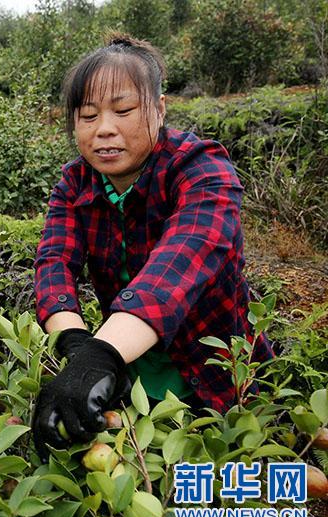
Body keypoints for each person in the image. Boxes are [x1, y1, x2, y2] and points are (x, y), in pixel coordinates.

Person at [31, 34, 274, 460]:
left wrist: (100, 356)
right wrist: (77, 347)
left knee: (224, 474)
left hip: (214, 366)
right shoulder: (75, 183)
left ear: (158, 109)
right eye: (87, 116)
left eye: (123, 111)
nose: (104, 128)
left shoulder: (201, 169)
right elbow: (55, 263)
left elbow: (181, 261)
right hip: (131, 359)